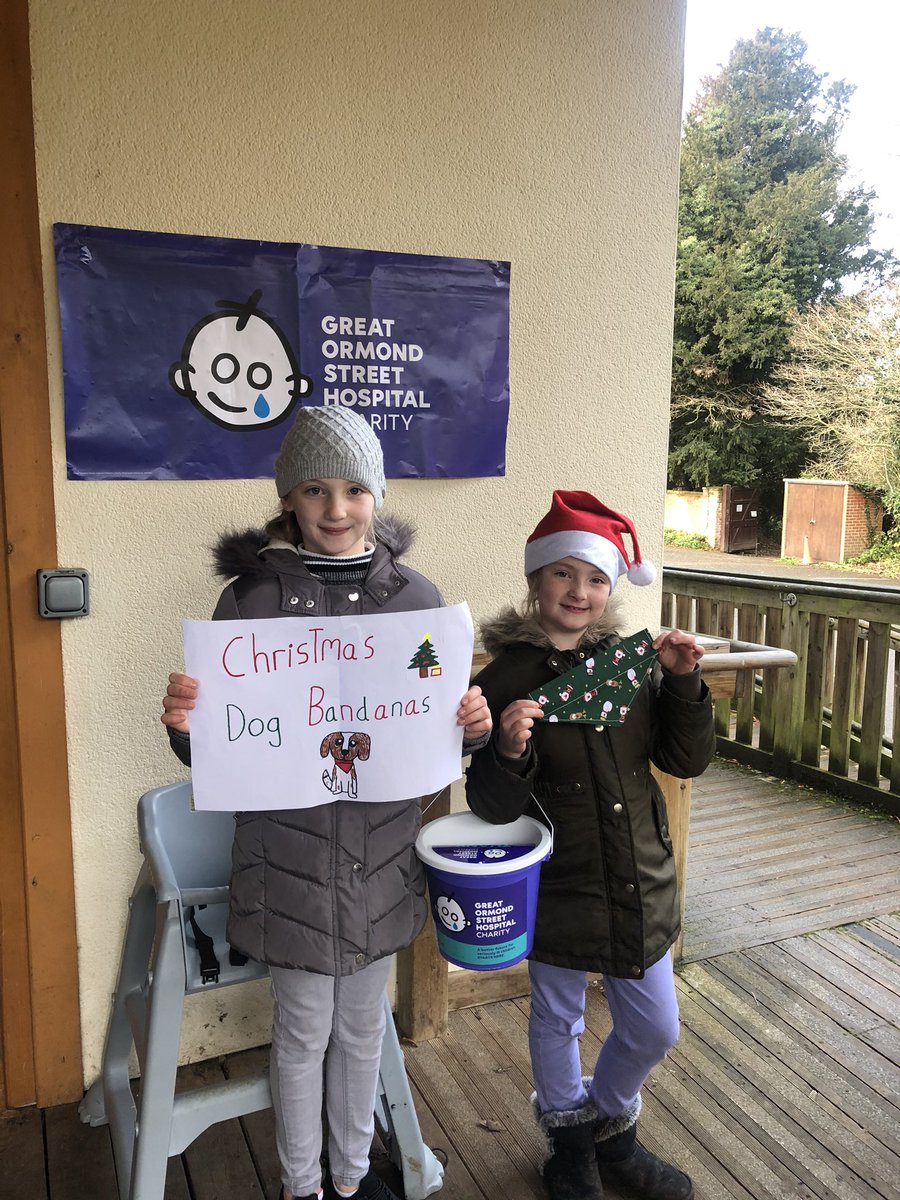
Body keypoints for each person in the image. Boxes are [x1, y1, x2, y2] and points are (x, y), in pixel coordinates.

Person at [161, 405, 491, 1200]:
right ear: (289, 500)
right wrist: (186, 725)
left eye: (353, 489)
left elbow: (432, 729)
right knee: (303, 1032)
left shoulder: (417, 599)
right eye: (315, 490)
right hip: (290, 862)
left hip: (379, 863)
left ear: (376, 494)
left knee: (361, 1027)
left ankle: (351, 1180)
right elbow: (223, 744)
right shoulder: (249, 602)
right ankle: (303, 1187)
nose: (336, 509)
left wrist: (470, 728)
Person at [465, 490, 714, 1200]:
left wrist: (684, 682)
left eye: (596, 578)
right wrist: (507, 749)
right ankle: (569, 1142)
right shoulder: (503, 677)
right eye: (563, 574)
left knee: (656, 1026)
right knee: (557, 1018)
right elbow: (490, 807)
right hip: (557, 886)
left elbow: (683, 760)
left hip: (639, 876)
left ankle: (609, 1124)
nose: (580, 591)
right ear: (535, 580)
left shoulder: (634, 666)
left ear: (611, 589)